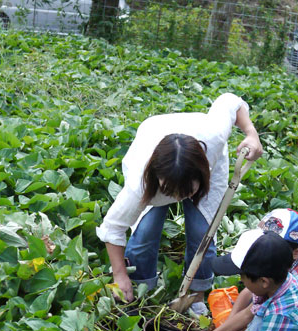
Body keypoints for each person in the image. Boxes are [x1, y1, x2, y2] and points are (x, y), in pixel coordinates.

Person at [96, 93, 263, 304]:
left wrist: (251, 134)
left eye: (186, 192)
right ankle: (140, 289)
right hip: (153, 135)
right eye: (171, 191)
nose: (177, 198)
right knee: (145, 231)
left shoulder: (215, 134)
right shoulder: (140, 182)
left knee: (203, 232)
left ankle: (196, 295)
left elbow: (230, 101)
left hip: (204, 157)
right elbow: (113, 228)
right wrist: (119, 275)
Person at [220, 209, 298, 331]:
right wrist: (228, 324)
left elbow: (256, 312)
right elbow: (249, 292)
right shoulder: (273, 264)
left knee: (258, 326)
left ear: (296, 252)